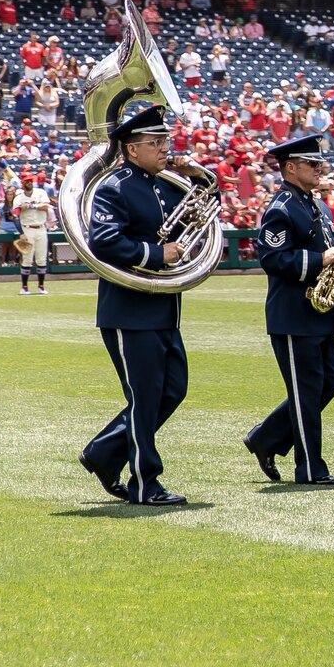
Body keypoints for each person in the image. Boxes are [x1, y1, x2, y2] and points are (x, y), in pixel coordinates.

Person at [78, 104, 192, 506]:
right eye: (155, 142)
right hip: (129, 311)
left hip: (163, 308)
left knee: (173, 389)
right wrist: (158, 255)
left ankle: (103, 453)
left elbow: (190, 224)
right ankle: (145, 484)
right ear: (131, 149)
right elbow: (104, 241)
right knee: (144, 397)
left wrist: (194, 189)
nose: (165, 148)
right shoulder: (115, 186)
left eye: (165, 141)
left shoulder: (165, 185)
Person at [243, 134, 334, 486]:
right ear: (289, 167)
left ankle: (266, 438)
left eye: (319, 163)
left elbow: (333, 266)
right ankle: (310, 468)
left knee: (328, 384)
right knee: (306, 392)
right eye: (311, 164)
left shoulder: (317, 206)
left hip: (321, 315)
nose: (319, 169)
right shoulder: (281, 207)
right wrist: (317, 259)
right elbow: (271, 259)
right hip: (293, 316)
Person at [13, 173, 50, 294]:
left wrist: (30, 205)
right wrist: (21, 232)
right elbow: (15, 215)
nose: (29, 182)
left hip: (41, 227)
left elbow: (46, 206)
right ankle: (24, 287)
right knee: (27, 259)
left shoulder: (40, 193)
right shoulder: (18, 198)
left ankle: (41, 286)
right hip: (27, 228)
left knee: (41, 259)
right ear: (22, 183)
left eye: (30, 180)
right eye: (26, 181)